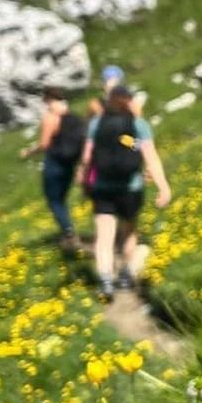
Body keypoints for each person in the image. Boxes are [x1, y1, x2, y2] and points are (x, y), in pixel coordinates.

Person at [80, 85, 171, 301]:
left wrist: (85, 183)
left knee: (104, 236)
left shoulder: (96, 124)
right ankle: (127, 275)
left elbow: (86, 158)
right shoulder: (138, 125)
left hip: (102, 187)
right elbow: (150, 156)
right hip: (130, 188)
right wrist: (163, 186)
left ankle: (105, 280)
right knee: (129, 232)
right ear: (130, 101)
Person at [20, 87, 86, 250]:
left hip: (55, 162)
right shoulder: (72, 117)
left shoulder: (50, 116)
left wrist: (28, 152)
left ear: (47, 99)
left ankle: (68, 233)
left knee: (54, 200)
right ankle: (68, 230)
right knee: (61, 198)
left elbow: (45, 144)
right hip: (70, 163)